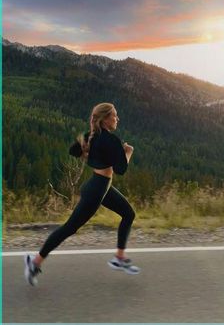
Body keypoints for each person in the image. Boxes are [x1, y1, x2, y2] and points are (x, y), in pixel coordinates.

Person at [24, 102, 140, 286]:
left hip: (101, 186)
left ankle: (119, 257)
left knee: (128, 214)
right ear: (105, 119)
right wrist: (127, 152)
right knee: (70, 228)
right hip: (96, 190)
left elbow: (73, 151)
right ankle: (35, 262)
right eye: (114, 115)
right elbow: (121, 169)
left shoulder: (93, 136)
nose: (117, 119)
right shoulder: (111, 140)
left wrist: (87, 148)